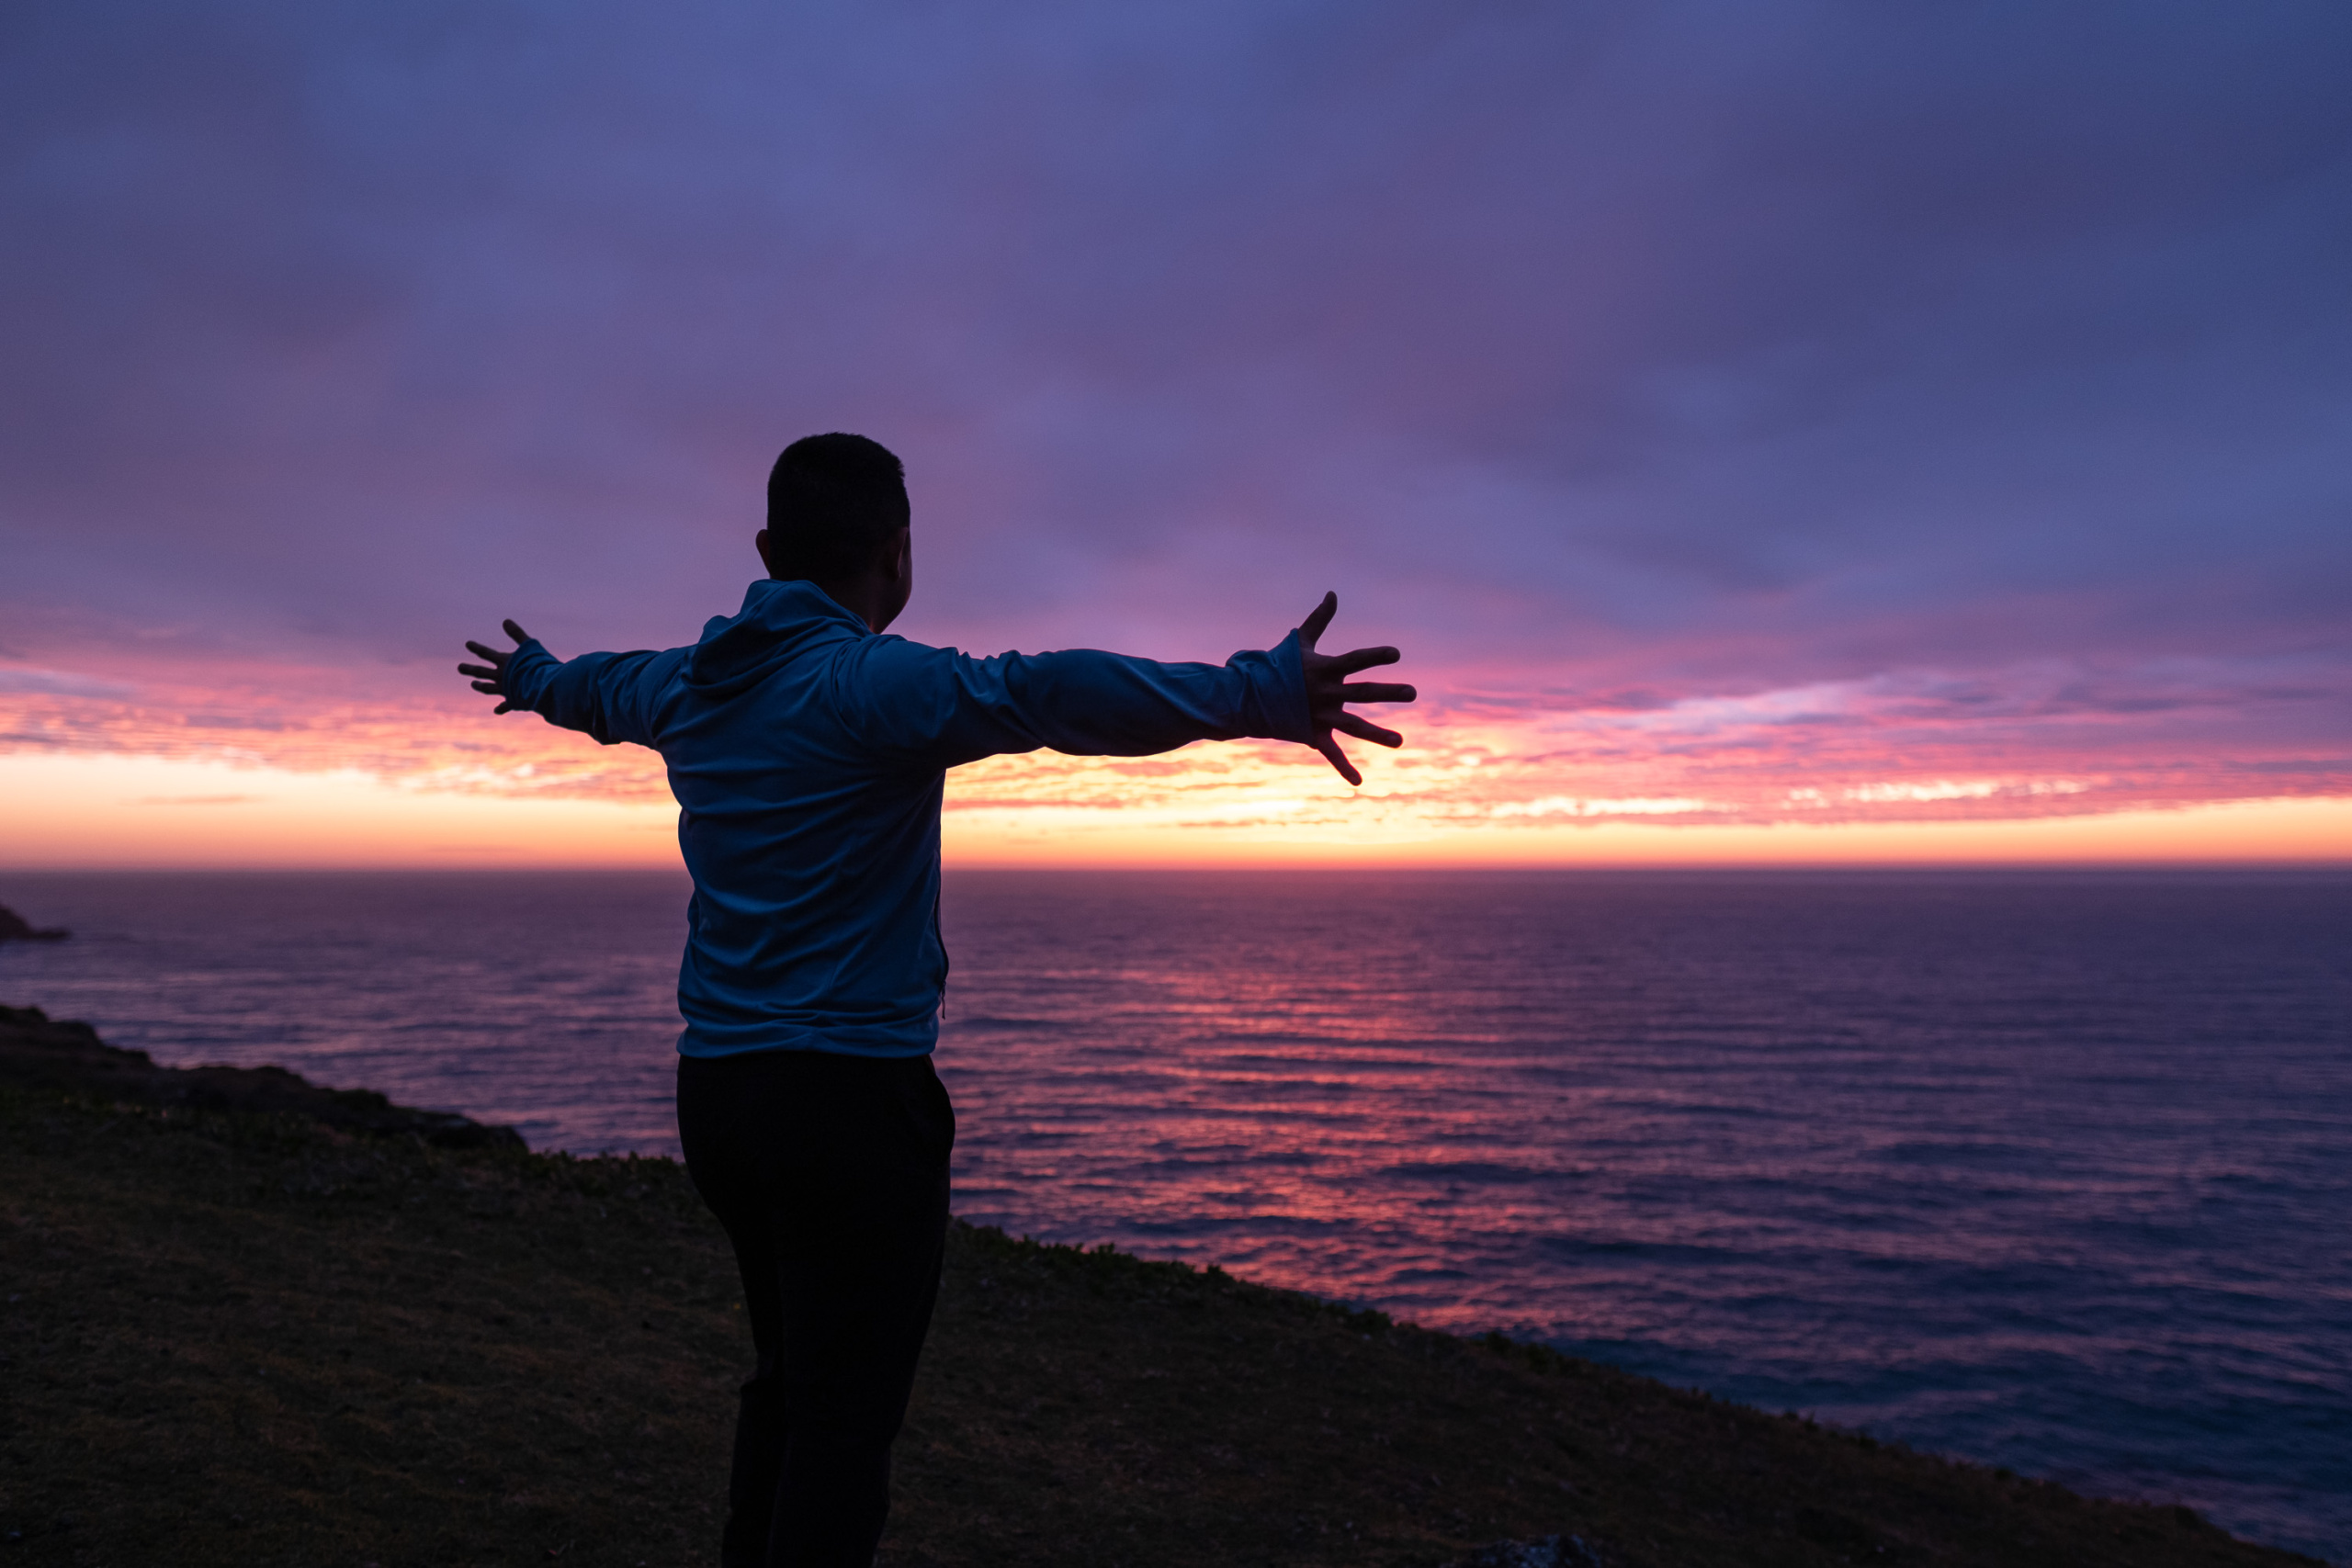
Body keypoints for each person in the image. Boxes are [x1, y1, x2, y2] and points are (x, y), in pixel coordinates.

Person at [455, 432, 1413, 1568]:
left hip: (718, 1100)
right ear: (898, 557)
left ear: (766, 550)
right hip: (850, 1111)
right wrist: (1254, 693)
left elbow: (589, 687)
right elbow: (1044, 692)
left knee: (791, 1379)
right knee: (845, 1425)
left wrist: (529, 676)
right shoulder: (868, 683)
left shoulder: (686, 683)